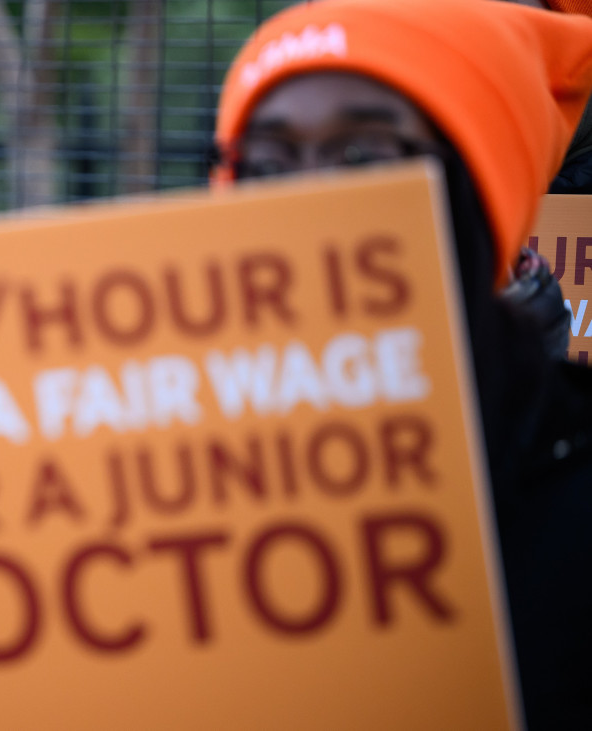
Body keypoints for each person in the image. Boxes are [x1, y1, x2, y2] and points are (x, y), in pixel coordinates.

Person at [212, 1, 592, 727]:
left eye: (365, 157)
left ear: (479, 190)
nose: (309, 197)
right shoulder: (161, 465)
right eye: (266, 164)